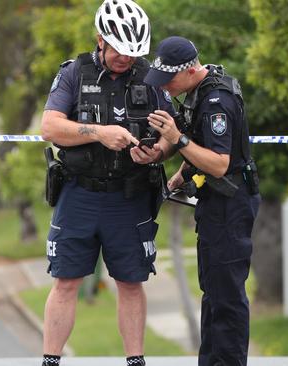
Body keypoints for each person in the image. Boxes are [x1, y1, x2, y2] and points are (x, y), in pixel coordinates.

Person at [39, 1, 174, 365]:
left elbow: (171, 137)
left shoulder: (151, 77)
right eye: (119, 50)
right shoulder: (73, 73)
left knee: (131, 283)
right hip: (79, 193)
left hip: (129, 197)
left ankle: (135, 361)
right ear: (100, 40)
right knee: (66, 280)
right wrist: (99, 134)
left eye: (133, 53)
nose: (125, 59)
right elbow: (49, 127)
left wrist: (156, 153)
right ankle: (51, 359)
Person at [143, 36, 261, 366]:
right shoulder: (199, 92)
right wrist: (179, 176)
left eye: (169, 80)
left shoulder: (216, 101)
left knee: (226, 298)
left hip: (230, 206)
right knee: (212, 293)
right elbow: (202, 147)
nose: (165, 87)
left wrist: (176, 138)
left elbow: (219, 163)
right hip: (217, 205)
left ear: (191, 70)